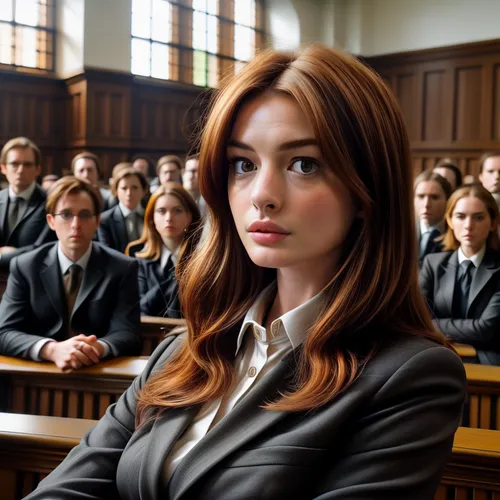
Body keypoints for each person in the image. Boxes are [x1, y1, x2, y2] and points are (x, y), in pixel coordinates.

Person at [26, 44, 465, 500]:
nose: (262, 194)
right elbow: (70, 487)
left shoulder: (411, 377)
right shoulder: (184, 349)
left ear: (366, 189)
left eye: (303, 164)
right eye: (244, 164)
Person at [0, 176, 142, 370]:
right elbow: (4, 332)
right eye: (66, 215)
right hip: (35, 377)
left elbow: (128, 333)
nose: (75, 225)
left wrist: (96, 347)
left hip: (98, 375)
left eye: (84, 215)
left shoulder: (122, 267)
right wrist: (51, 349)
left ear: (97, 220)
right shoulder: (25, 266)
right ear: (51, 221)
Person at [420, 184, 500, 365]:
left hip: (488, 362)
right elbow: (418, 318)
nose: (468, 225)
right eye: (460, 216)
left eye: (478, 217)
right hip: (436, 356)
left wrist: (434, 324)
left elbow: (485, 329)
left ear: (493, 223)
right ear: (449, 220)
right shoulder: (432, 263)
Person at [126, 183, 201, 317]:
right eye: (161, 211)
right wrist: (176, 276)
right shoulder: (138, 259)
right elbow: (139, 310)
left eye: (177, 210)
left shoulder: (202, 258)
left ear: (189, 217)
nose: (169, 218)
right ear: (152, 218)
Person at [0, 137, 57, 268]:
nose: (20, 170)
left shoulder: (51, 203)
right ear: (3, 168)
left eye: (27, 164)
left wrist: (3, 255)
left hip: (33, 279)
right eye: (14, 164)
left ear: (37, 169)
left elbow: (44, 249)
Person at [97, 168, 148, 253]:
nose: (129, 193)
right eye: (124, 188)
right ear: (116, 191)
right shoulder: (105, 220)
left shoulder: (152, 216)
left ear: (143, 191)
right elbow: (107, 253)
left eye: (134, 188)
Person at [414, 170, 452, 267]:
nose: (426, 204)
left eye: (434, 197)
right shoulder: (401, 233)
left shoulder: (457, 233)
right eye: (421, 196)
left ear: (447, 200)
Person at [182, 153, 207, 217]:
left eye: (195, 171)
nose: (191, 175)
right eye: (188, 171)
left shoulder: (211, 204)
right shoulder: (173, 198)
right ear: (183, 173)